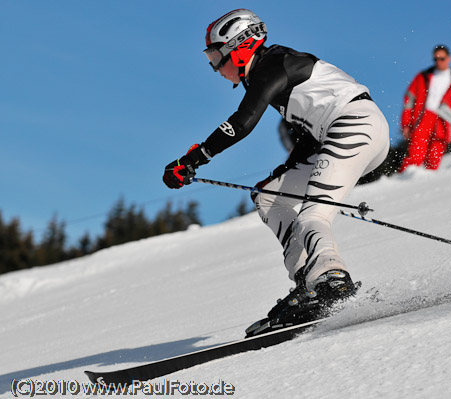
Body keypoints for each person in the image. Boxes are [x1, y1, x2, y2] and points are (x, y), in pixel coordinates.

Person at [162, 9, 390, 335]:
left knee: (313, 217)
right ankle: (309, 283)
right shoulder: (273, 69)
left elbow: (243, 121)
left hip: (355, 125)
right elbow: (312, 132)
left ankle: (332, 279)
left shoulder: (272, 64)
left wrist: (195, 158)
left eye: (217, 56)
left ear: (240, 46)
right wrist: (285, 170)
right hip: (346, 130)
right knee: (269, 196)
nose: (215, 68)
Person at [398, 45, 451, 173]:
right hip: (422, 120)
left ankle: (428, 188)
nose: (439, 62)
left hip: (442, 124)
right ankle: (401, 186)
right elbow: (409, 101)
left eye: (442, 58)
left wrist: (450, 113)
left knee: (434, 161)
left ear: (449, 59)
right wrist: (406, 124)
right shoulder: (422, 77)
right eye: (436, 59)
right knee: (414, 159)